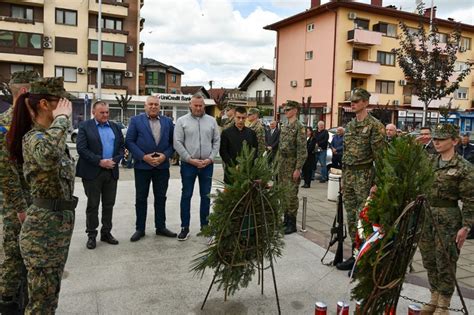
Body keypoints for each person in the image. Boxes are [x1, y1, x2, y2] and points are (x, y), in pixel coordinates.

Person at [7, 77, 77, 313]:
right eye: (62, 102)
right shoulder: (34, 138)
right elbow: (47, 156)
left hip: (57, 228)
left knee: (49, 298)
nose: (67, 107)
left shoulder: (51, 136)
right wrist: (61, 119)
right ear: (45, 104)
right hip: (42, 233)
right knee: (40, 304)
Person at [418, 123, 474, 314]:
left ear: (454, 141)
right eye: (435, 138)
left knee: (446, 262)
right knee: (429, 259)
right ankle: (434, 297)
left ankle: (444, 304)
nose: (437, 142)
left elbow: (470, 200)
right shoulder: (430, 161)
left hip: (449, 218)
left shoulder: (464, 167)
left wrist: (466, 227)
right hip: (427, 216)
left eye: (441, 139)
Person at [0, 71, 39, 312]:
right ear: (24, 93)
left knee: (28, 258)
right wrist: (20, 209)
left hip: (32, 201)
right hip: (17, 206)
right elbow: (5, 173)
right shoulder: (5, 125)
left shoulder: (27, 123)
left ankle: (23, 302)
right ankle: (7, 304)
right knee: (14, 256)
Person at [337, 88, 385, 271]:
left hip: (365, 176)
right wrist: (343, 177)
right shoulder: (350, 126)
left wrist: (378, 183)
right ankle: (355, 254)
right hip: (349, 175)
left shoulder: (375, 126)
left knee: (362, 218)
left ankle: (364, 260)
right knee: (350, 217)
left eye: (356, 101)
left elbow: (381, 157)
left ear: (366, 102)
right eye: (351, 101)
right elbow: (346, 153)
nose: (353, 104)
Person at [126, 95, 176, 242]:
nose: (153, 107)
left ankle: (160, 227)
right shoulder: (136, 121)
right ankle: (140, 229)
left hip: (162, 167)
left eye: (156, 104)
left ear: (159, 107)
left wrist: (164, 156)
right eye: (151, 104)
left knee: (161, 198)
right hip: (142, 167)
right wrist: (143, 157)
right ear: (145, 106)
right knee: (141, 198)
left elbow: (173, 143)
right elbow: (129, 141)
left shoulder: (168, 122)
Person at [76, 100, 125, 249]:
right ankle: (92, 235)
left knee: (109, 204)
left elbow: (121, 148)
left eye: (107, 112)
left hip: (111, 171)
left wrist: (114, 160)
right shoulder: (85, 126)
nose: (105, 115)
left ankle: (106, 233)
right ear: (93, 112)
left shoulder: (115, 127)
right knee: (93, 205)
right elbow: (81, 149)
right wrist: (100, 161)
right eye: (102, 112)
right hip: (92, 172)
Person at [173, 94, 220, 241]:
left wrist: (210, 159)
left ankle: (205, 227)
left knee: (206, 197)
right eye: (196, 105)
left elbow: (216, 141)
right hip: (188, 165)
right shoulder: (182, 121)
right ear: (190, 105)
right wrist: (190, 159)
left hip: (207, 165)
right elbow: (177, 143)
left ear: (204, 106)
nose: (198, 108)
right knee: (186, 195)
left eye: (201, 105)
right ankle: (184, 227)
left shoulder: (212, 121)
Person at [277, 100, 307, 234]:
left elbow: (302, 150)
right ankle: (285, 220)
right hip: (282, 163)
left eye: (288, 109)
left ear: (295, 110)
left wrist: (298, 168)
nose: (286, 112)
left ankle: (292, 223)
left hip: (292, 163)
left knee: (291, 195)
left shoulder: (299, 126)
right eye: (285, 109)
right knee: (283, 193)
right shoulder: (284, 125)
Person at [220, 106, 258, 184]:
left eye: (243, 118)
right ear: (234, 117)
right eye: (238, 117)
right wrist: (233, 165)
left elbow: (255, 150)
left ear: (246, 117)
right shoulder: (226, 133)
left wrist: (248, 165)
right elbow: (223, 151)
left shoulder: (251, 133)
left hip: (247, 173)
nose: (241, 120)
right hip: (231, 172)